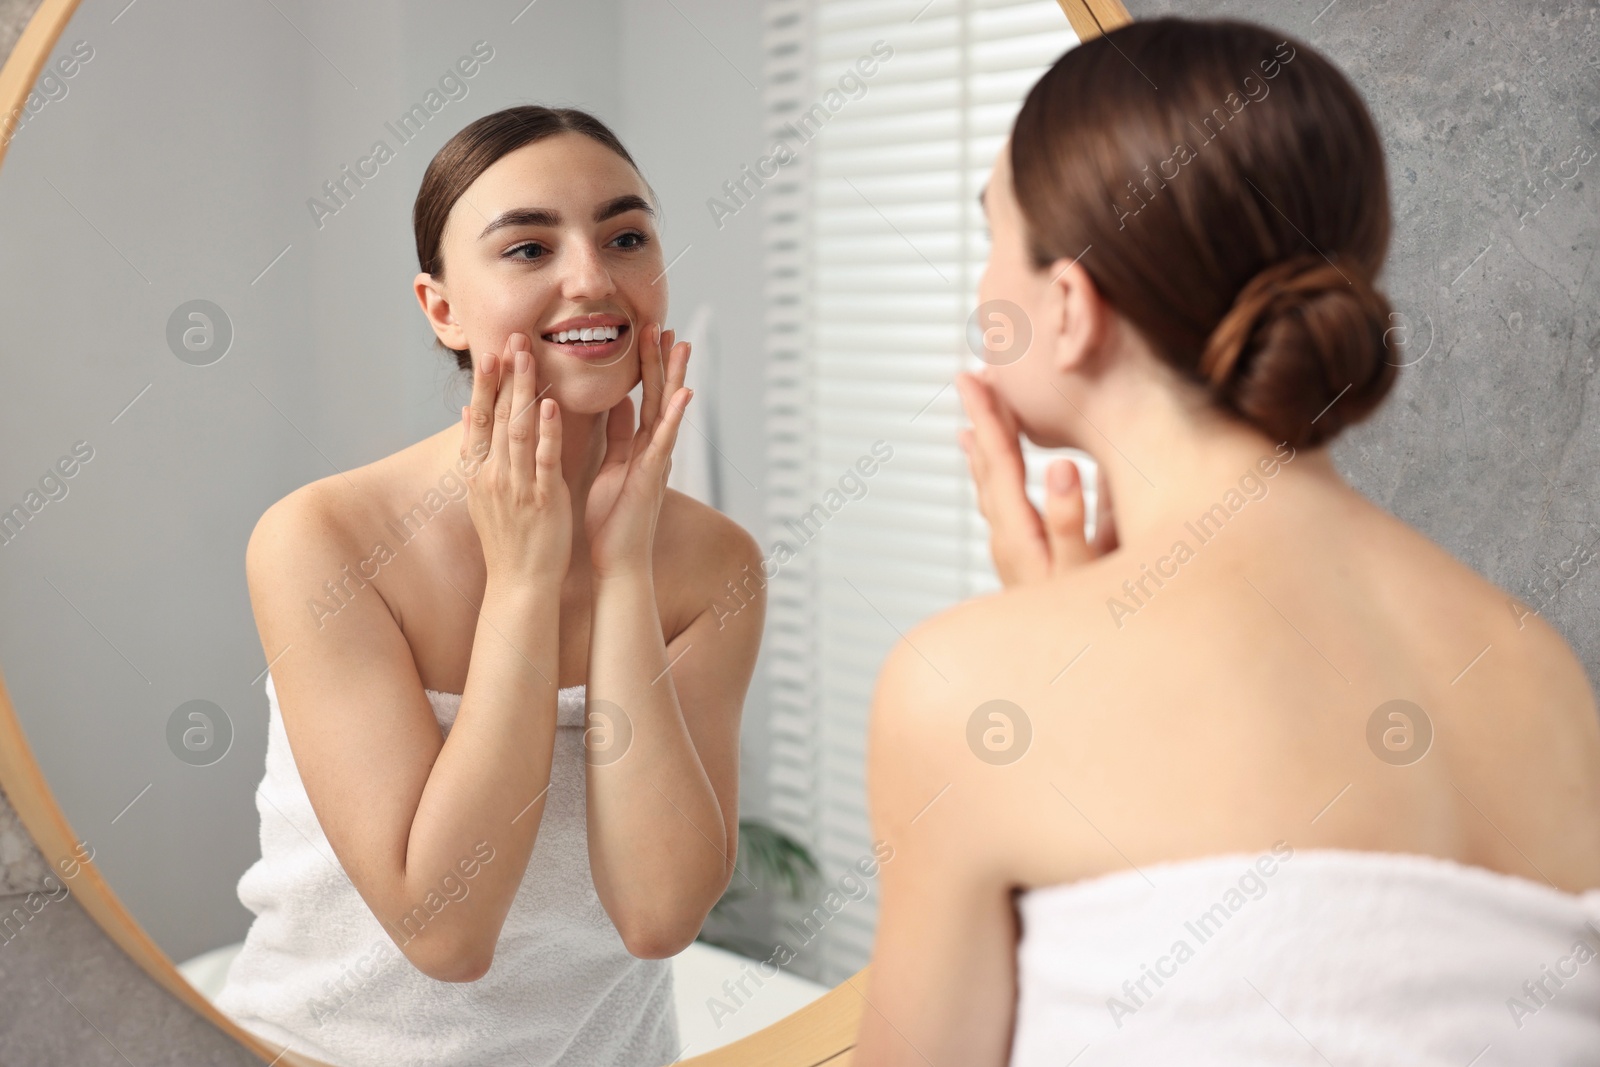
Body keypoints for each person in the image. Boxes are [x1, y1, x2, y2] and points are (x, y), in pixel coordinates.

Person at [855, 17, 1600, 1065]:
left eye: (993, 242)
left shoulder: (966, 688)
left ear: (1066, 307)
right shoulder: (1540, 672)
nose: (981, 292)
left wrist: (1042, 654)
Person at [214, 105, 765, 1067]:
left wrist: (625, 566)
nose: (592, 279)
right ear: (441, 308)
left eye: (625, 236)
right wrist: (523, 579)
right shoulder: (323, 541)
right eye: (527, 248)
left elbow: (658, 914)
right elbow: (446, 932)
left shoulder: (713, 564)